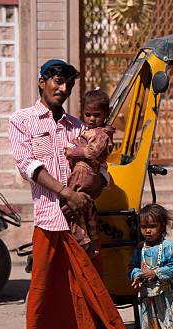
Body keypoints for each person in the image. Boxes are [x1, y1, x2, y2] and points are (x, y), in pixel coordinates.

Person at [8, 59, 131, 329]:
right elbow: (27, 165)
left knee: (88, 288)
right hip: (49, 219)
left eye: (67, 84)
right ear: (42, 82)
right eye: (56, 81)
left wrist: (93, 185)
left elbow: (103, 169)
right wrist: (66, 192)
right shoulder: (22, 120)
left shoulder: (81, 127)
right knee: (41, 290)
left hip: (83, 223)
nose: (61, 89)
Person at [63, 88, 114, 258]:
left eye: (97, 115)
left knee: (68, 203)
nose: (92, 119)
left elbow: (92, 152)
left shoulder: (102, 134)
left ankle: (81, 239)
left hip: (85, 172)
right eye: (88, 114)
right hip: (85, 172)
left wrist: (73, 152)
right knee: (86, 206)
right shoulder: (88, 130)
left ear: (106, 114)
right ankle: (91, 240)